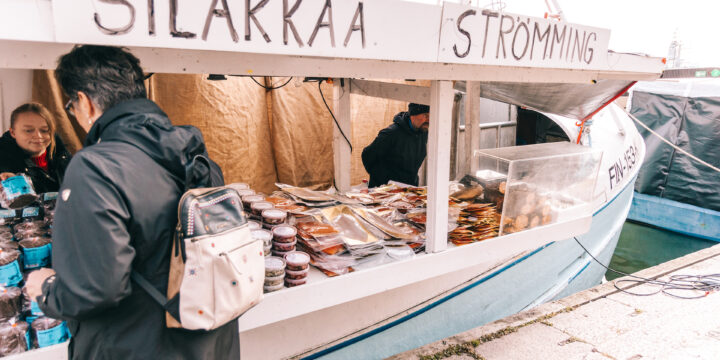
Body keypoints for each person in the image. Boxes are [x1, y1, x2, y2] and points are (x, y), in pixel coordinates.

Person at [25, 45, 237, 359]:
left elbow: (96, 288)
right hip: (210, 337)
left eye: (71, 106)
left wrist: (46, 288)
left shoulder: (95, 166)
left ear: (84, 101)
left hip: (140, 344)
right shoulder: (192, 150)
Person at [0, 102, 71, 193]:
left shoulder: (63, 155)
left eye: (44, 130)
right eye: (29, 130)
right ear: (13, 133)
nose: (38, 135)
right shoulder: (4, 166)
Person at [361, 103, 430, 188]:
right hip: (385, 191)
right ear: (413, 115)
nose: (429, 119)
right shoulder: (391, 133)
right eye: (425, 115)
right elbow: (367, 155)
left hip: (408, 188)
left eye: (431, 115)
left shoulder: (423, 132)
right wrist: (380, 179)